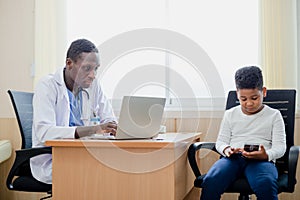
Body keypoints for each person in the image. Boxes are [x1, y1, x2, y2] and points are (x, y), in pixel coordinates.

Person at [30, 39, 117, 184]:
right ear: (69, 63)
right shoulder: (47, 85)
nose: (93, 75)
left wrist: (114, 127)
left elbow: (109, 120)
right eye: (87, 68)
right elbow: (44, 132)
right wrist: (94, 129)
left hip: (82, 153)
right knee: (102, 174)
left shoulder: (93, 86)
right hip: (53, 158)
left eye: (96, 69)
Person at [200, 66, 286, 200]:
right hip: (232, 159)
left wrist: (266, 155)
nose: (249, 103)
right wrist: (227, 149)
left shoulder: (274, 115)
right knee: (211, 180)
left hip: (261, 161)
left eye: (254, 98)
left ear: (263, 92)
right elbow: (221, 142)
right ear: (237, 94)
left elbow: (280, 147)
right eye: (243, 99)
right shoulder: (230, 115)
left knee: (266, 184)